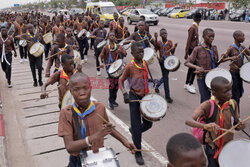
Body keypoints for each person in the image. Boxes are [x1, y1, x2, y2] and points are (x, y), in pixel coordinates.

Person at [58, 72, 136, 167]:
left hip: (98, 156)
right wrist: (94, 137)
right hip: (78, 159)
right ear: (70, 91)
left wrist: (124, 141)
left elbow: (108, 128)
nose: (82, 93)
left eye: (85, 88)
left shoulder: (99, 107)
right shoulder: (66, 113)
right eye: (76, 89)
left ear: (91, 88)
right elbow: (70, 147)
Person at [185, 76, 245, 167]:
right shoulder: (208, 105)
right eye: (226, 91)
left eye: (230, 90)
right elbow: (188, 120)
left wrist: (241, 125)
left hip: (228, 147)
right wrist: (204, 126)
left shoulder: (233, 104)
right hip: (212, 148)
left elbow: (236, 125)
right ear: (214, 93)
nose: (230, 93)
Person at [120, 42, 157, 165]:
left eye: (143, 51)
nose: (142, 53)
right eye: (139, 52)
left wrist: (153, 82)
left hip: (145, 97)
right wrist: (125, 94)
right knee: (136, 126)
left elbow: (145, 78)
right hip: (134, 98)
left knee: (148, 124)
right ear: (132, 53)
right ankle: (138, 152)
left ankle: (134, 131)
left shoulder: (145, 63)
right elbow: (120, 81)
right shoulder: (129, 66)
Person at [185, 28, 219, 103]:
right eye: (209, 36)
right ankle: (203, 114)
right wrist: (196, 67)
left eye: (213, 36)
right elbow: (187, 63)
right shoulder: (198, 49)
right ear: (203, 36)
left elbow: (216, 64)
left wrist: (223, 60)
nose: (212, 38)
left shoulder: (214, 48)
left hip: (212, 77)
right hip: (202, 77)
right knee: (205, 99)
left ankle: (209, 113)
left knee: (214, 99)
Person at [220, 30, 250, 111]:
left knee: (239, 93)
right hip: (233, 74)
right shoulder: (231, 48)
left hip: (240, 74)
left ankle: (231, 107)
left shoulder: (242, 47)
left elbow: (249, 53)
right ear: (236, 37)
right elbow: (222, 60)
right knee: (235, 94)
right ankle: (236, 113)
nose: (244, 38)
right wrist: (230, 58)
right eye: (242, 36)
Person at [99, 32, 127, 110]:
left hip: (118, 68)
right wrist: (101, 63)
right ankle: (110, 101)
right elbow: (100, 56)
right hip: (110, 70)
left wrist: (121, 52)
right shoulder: (106, 47)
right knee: (112, 85)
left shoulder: (119, 46)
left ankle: (113, 99)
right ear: (108, 37)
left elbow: (125, 54)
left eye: (114, 36)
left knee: (117, 85)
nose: (112, 37)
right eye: (111, 35)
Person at [154, 28, 177, 103]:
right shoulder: (158, 42)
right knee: (166, 78)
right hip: (162, 62)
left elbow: (172, 53)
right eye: (163, 34)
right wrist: (158, 58)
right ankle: (167, 97)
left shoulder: (169, 42)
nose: (165, 35)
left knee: (165, 77)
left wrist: (174, 47)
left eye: (166, 33)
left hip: (168, 62)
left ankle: (157, 85)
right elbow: (155, 50)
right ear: (160, 35)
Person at [184, 12, 202, 94]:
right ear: (200, 20)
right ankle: (189, 84)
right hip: (192, 50)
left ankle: (188, 83)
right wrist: (186, 52)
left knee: (192, 67)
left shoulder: (195, 27)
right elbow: (188, 41)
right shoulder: (192, 28)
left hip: (194, 49)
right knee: (194, 67)